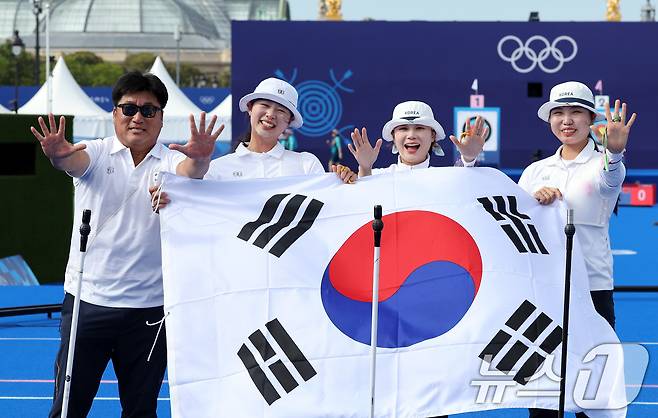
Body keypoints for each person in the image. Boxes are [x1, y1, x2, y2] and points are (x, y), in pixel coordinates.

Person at [32, 71, 222, 418]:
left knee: (140, 409)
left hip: (149, 311)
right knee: (68, 408)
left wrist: (202, 158)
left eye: (149, 111)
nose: (138, 117)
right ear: (115, 113)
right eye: (129, 108)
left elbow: (190, 171)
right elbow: (72, 162)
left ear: (162, 118)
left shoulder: (169, 161)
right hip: (88, 303)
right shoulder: (98, 152)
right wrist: (57, 155)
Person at [518, 81, 636, 418]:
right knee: (542, 391)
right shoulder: (534, 172)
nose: (566, 120)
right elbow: (517, 226)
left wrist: (614, 153)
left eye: (575, 113)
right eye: (559, 113)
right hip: (543, 289)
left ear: (589, 119)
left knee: (592, 390)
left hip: (592, 288)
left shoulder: (604, 164)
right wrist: (534, 203)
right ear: (550, 120)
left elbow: (610, 182)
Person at [153, 77, 356, 211]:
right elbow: (192, 206)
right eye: (265, 105)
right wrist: (171, 196)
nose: (271, 114)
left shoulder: (307, 164)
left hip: (292, 274)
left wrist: (348, 180)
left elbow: (329, 211)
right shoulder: (219, 168)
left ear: (288, 122)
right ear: (250, 108)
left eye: (281, 110)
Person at [348, 100, 487, 177]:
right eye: (403, 128)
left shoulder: (444, 178)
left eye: (419, 128)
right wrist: (365, 168)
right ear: (393, 136)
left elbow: (464, 183)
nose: (411, 135)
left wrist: (469, 159)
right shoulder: (376, 176)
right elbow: (363, 206)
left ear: (433, 135)